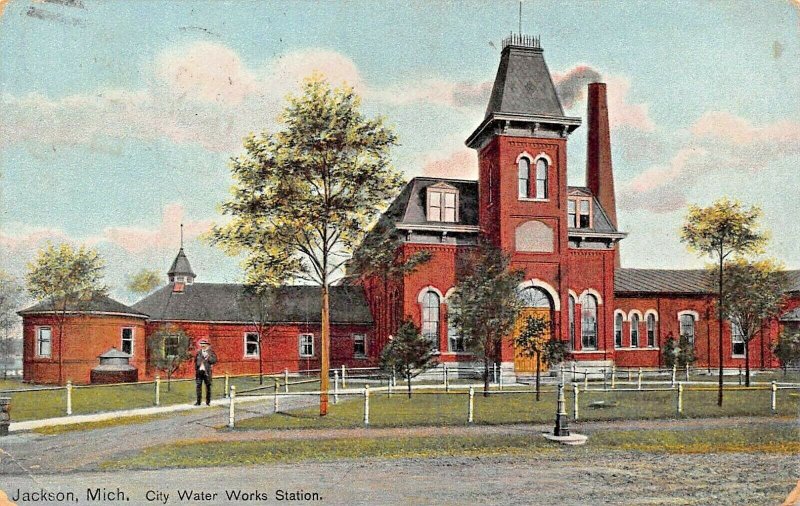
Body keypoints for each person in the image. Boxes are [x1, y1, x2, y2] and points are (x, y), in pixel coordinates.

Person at [194, 338, 217, 406]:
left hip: (207, 372)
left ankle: (208, 401)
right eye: (201, 344)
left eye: (204, 344)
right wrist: (197, 367)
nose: (203, 345)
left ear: (207, 345)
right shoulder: (198, 352)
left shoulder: (211, 352)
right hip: (199, 372)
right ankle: (198, 402)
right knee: (198, 386)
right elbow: (195, 360)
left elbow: (214, 360)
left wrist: (208, 356)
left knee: (208, 387)